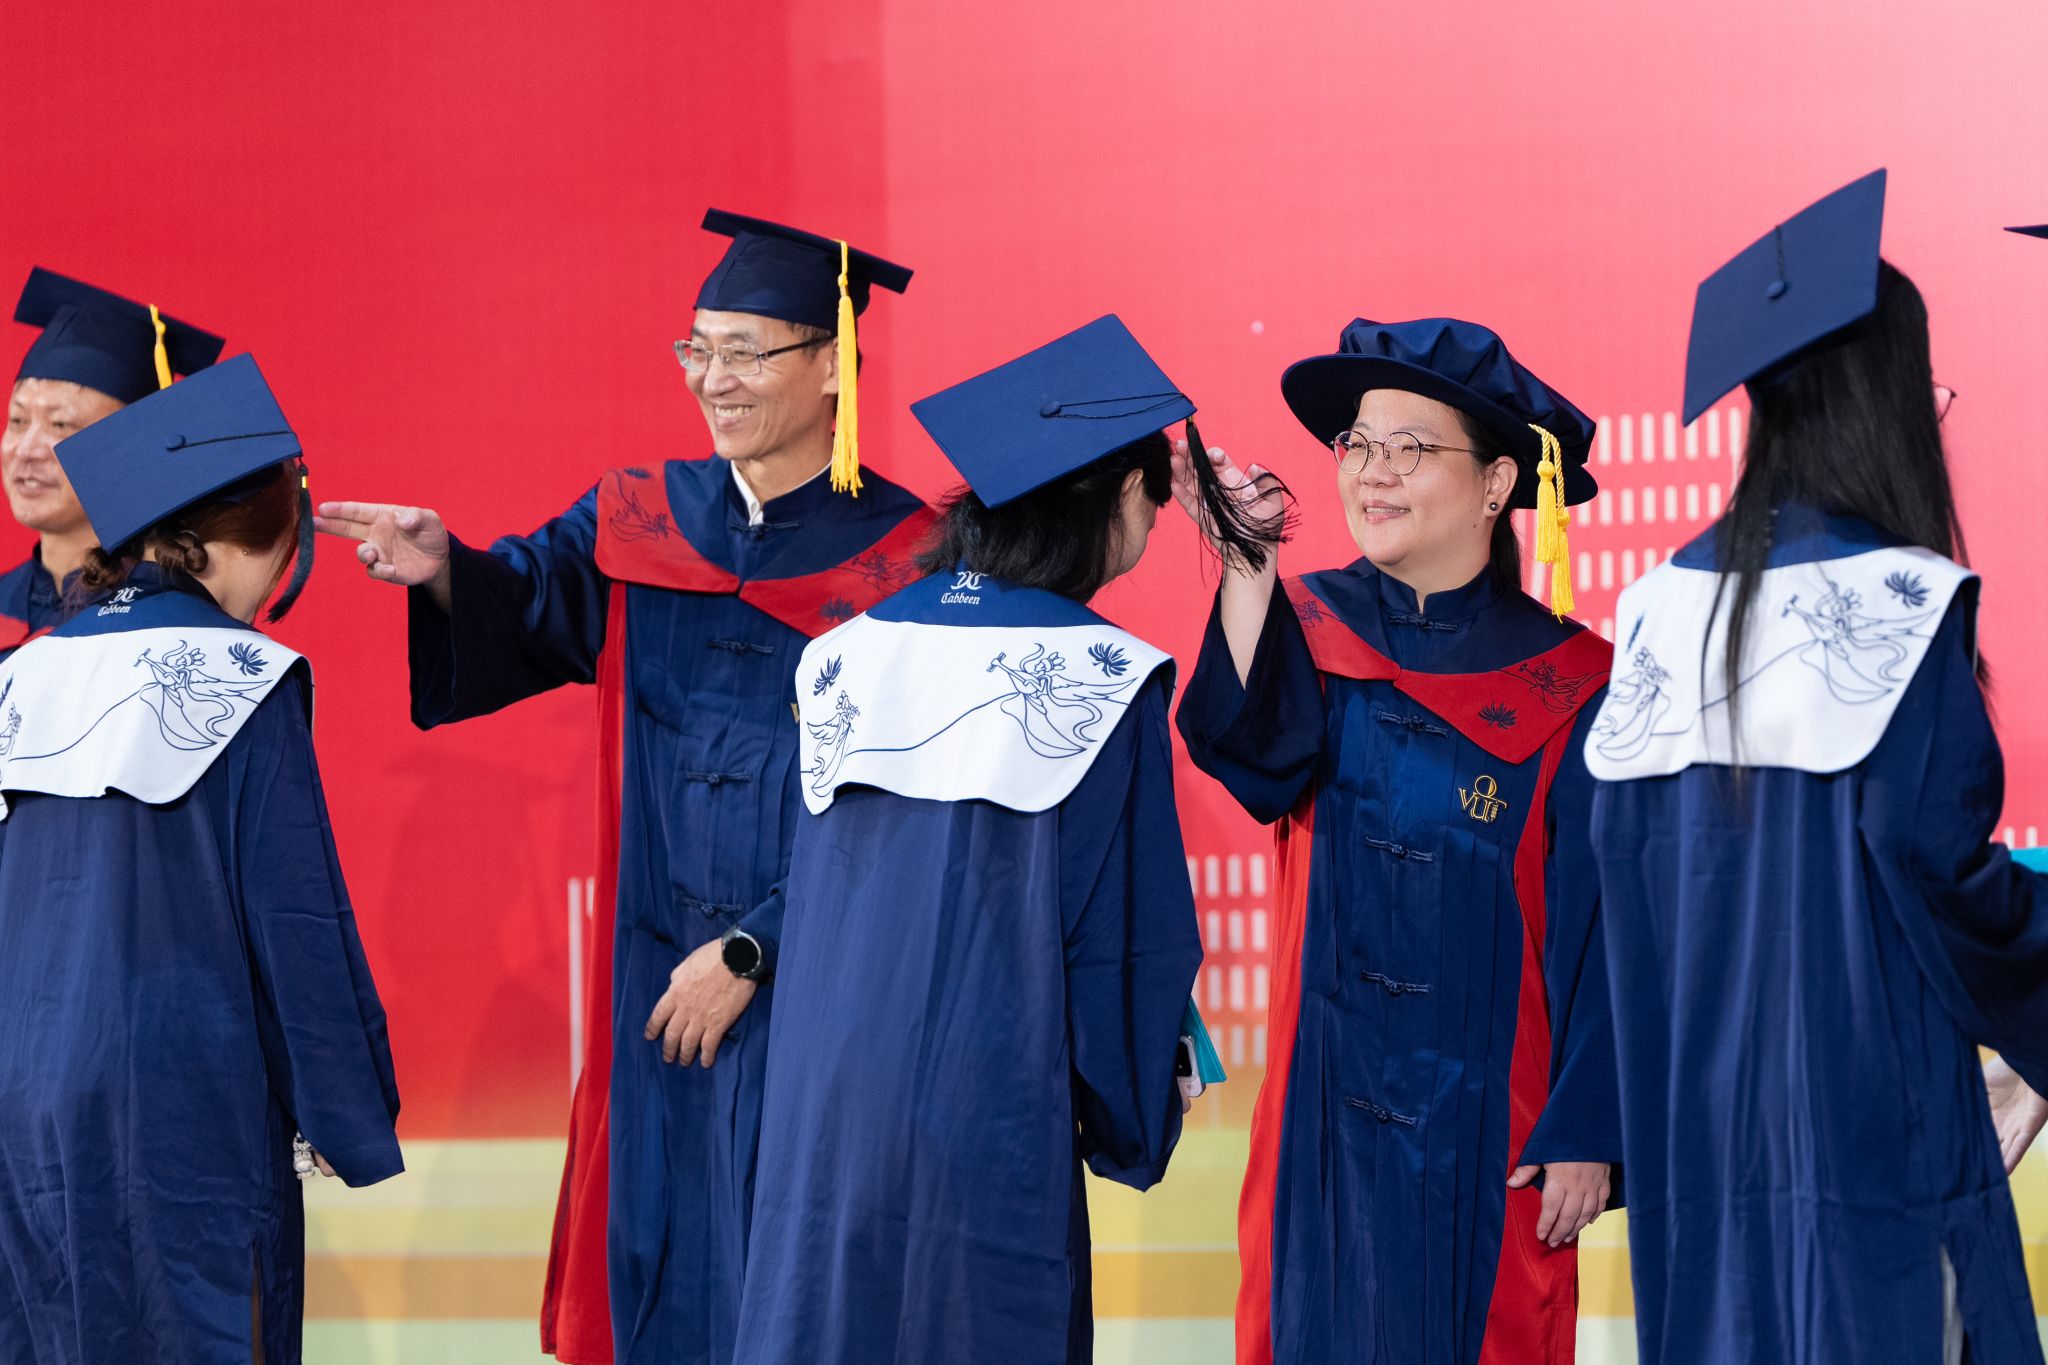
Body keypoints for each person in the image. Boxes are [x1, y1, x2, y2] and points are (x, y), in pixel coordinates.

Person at [314, 211, 934, 1365]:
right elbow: (527, 601)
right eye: (697, 348)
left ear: (830, 366)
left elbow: (914, 808)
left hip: (822, 982)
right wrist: (446, 570)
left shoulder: (911, 558)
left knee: (808, 1274)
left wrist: (756, 949)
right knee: (669, 1260)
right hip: (657, 983)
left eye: (745, 351)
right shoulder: (642, 515)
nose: (712, 378)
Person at [1586, 169, 2048, 1365]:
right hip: (1870, 1123)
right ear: (1886, 403)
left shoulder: (1651, 611)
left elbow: (1618, 877)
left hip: (1698, 1134)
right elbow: (1931, 862)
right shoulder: (1901, 601)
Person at [732, 315, 1204, 1365]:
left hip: (823, 1112)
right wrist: (1131, 1111)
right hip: (985, 1105)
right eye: (1152, 511)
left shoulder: (844, 655)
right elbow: (1118, 937)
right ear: (1126, 494)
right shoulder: (1103, 678)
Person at [1177, 316, 1622, 1365]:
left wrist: (1589, 1125)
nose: (1372, 473)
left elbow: (1609, 928)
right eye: (1358, 445)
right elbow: (1247, 755)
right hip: (1320, 1121)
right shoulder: (1308, 629)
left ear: (1497, 483)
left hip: (1495, 1127)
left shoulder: (1573, 682)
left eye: (1410, 449)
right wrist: (1246, 570)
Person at [0, 354, 400, 1365]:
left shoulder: (22, 673)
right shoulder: (244, 677)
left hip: (19, 1099)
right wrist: (347, 1112)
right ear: (263, 541)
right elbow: (295, 918)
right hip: (179, 1103)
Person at [2, 268, 224, 643]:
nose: (26, 450)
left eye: (61, 425)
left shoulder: (173, 623)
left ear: (135, 449)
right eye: (17, 421)